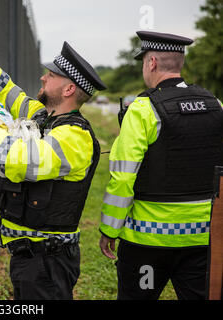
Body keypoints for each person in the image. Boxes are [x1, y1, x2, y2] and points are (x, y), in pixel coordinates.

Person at [0, 29, 106, 300]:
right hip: (33, 257)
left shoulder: (74, 137)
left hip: (46, 261)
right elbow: (9, 93)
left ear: (69, 89)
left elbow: (21, 162)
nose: (43, 77)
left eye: (51, 75)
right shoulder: (44, 117)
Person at [99, 30, 223, 300]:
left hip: (147, 243)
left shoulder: (143, 109)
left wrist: (109, 229)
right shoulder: (216, 105)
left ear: (151, 62)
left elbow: (123, 178)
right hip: (204, 239)